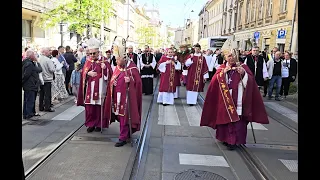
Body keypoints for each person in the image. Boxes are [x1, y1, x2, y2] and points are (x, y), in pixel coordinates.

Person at [200, 48, 269, 150]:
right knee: (225, 118)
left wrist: (244, 74)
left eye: (233, 55)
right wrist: (223, 73)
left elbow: (250, 81)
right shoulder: (222, 67)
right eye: (229, 56)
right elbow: (214, 82)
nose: (231, 58)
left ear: (237, 56)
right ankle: (225, 138)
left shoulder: (243, 67)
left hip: (239, 98)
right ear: (225, 57)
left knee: (237, 120)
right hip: (225, 98)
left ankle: (234, 141)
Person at [104, 41, 143, 147]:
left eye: (117, 59)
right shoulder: (118, 67)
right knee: (121, 117)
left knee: (125, 117)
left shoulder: (132, 69)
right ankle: (125, 134)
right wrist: (114, 82)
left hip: (127, 99)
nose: (116, 61)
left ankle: (123, 137)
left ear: (124, 59)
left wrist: (130, 80)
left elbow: (138, 84)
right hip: (118, 97)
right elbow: (113, 79)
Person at [77, 38, 113, 133]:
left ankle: (99, 124)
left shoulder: (104, 61)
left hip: (101, 87)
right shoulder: (88, 61)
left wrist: (105, 69)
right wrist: (88, 73)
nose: (92, 55)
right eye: (90, 53)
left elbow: (110, 75)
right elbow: (84, 72)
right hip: (90, 88)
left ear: (98, 52)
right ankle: (91, 124)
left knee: (99, 107)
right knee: (90, 107)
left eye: (94, 53)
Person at [22, 50, 42, 119]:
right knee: (30, 100)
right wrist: (38, 62)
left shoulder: (26, 62)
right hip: (30, 84)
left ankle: (27, 114)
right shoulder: (29, 64)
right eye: (34, 55)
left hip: (28, 84)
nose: (35, 56)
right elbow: (27, 74)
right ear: (31, 56)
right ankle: (29, 115)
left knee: (27, 100)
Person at [38, 47, 56, 112]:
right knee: (47, 94)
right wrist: (54, 66)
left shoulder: (38, 59)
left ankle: (41, 106)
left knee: (41, 94)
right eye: (49, 51)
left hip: (40, 79)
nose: (50, 52)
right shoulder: (48, 60)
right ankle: (47, 107)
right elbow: (52, 69)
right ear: (45, 52)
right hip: (47, 78)